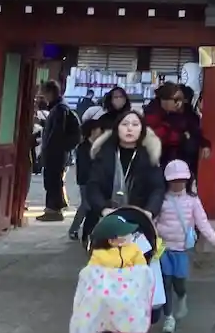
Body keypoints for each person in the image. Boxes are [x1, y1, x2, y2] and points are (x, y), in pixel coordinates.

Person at [157, 160, 215, 333]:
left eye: (181, 180)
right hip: (163, 248)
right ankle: (168, 317)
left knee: (179, 281)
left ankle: (182, 296)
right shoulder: (161, 200)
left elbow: (202, 222)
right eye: (174, 180)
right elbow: (153, 220)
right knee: (166, 281)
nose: (178, 183)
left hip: (182, 249)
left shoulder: (193, 201)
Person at [85, 108, 167, 221]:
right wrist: (102, 208)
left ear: (142, 130)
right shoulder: (104, 154)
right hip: (107, 216)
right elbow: (93, 186)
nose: (129, 128)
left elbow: (157, 189)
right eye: (125, 124)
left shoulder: (149, 157)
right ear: (117, 128)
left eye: (135, 124)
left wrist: (149, 211)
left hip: (139, 216)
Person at [144, 83, 203, 183]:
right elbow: (156, 136)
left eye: (182, 100)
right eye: (176, 100)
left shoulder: (187, 113)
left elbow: (195, 132)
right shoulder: (153, 113)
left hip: (183, 160)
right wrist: (179, 136)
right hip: (161, 160)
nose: (179, 104)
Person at [37, 81, 78, 222]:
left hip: (55, 153)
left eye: (44, 93)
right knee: (53, 181)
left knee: (53, 181)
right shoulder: (59, 108)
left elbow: (56, 134)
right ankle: (53, 208)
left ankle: (53, 210)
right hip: (57, 152)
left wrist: (48, 150)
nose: (43, 97)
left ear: (50, 93)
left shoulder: (60, 110)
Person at [70, 106, 106, 241]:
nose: (101, 132)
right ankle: (74, 229)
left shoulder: (99, 146)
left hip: (95, 180)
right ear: (92, 131)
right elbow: (84, 166)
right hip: (85, 180)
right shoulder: (83, 147)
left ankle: (86, 230)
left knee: (90, 206)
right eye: (99, 129)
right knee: (86, 205)